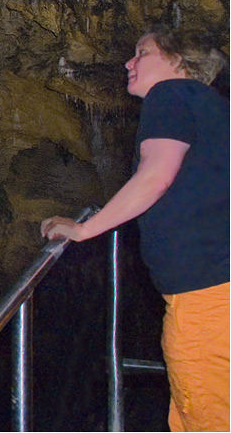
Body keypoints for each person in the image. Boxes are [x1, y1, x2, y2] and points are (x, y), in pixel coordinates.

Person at [41, 24, 229, 432]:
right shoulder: (210, 106)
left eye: (142, 52)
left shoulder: (171, 94)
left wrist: (85, 229)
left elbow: (155, 175)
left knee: (207, 414)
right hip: (217, 288)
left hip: (206, 295)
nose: (128, 62)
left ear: (178, 61)